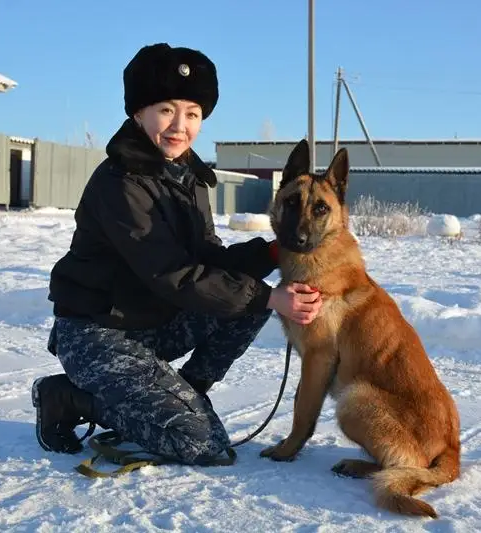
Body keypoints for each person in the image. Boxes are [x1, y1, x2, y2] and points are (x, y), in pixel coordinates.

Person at [31, 43, 323, 465]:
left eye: (192, 114)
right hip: (97, 334)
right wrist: (270, 296)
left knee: (249, 300)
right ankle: (69, 398)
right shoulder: (121, 183)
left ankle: (182, 396)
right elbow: (173, 272)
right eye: (166, 110)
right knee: (202, 443)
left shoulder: (188, 178)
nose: (179, 126)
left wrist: (273, 252)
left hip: (152, 324)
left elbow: (208, 259)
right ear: (138, 113)